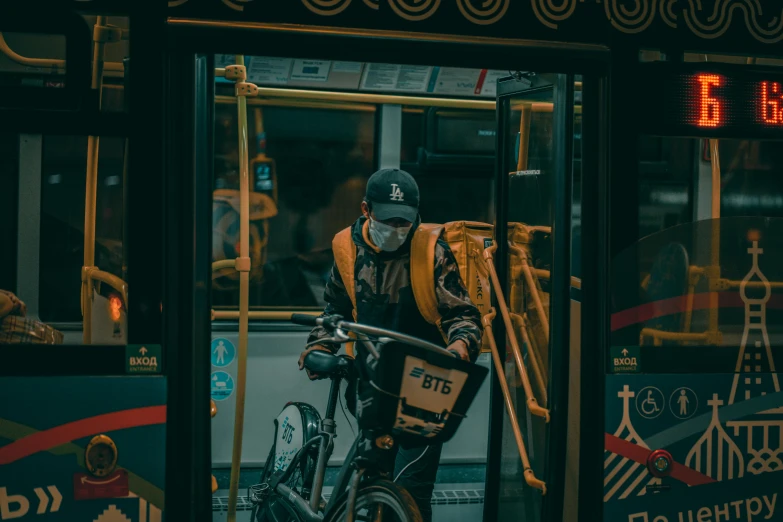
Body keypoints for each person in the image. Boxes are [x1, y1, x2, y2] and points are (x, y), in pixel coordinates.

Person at [298, 168, 483, 522]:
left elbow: (463, 316)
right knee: (366, 481)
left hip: (424, 387)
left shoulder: (432, 253)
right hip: (371, 385)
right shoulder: (346, 249)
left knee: (411, 489)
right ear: (366, 209)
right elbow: (335, 309)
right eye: (389, 220)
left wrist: (460, 348)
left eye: (405, 221)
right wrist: (320, 349)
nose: (398, 229)